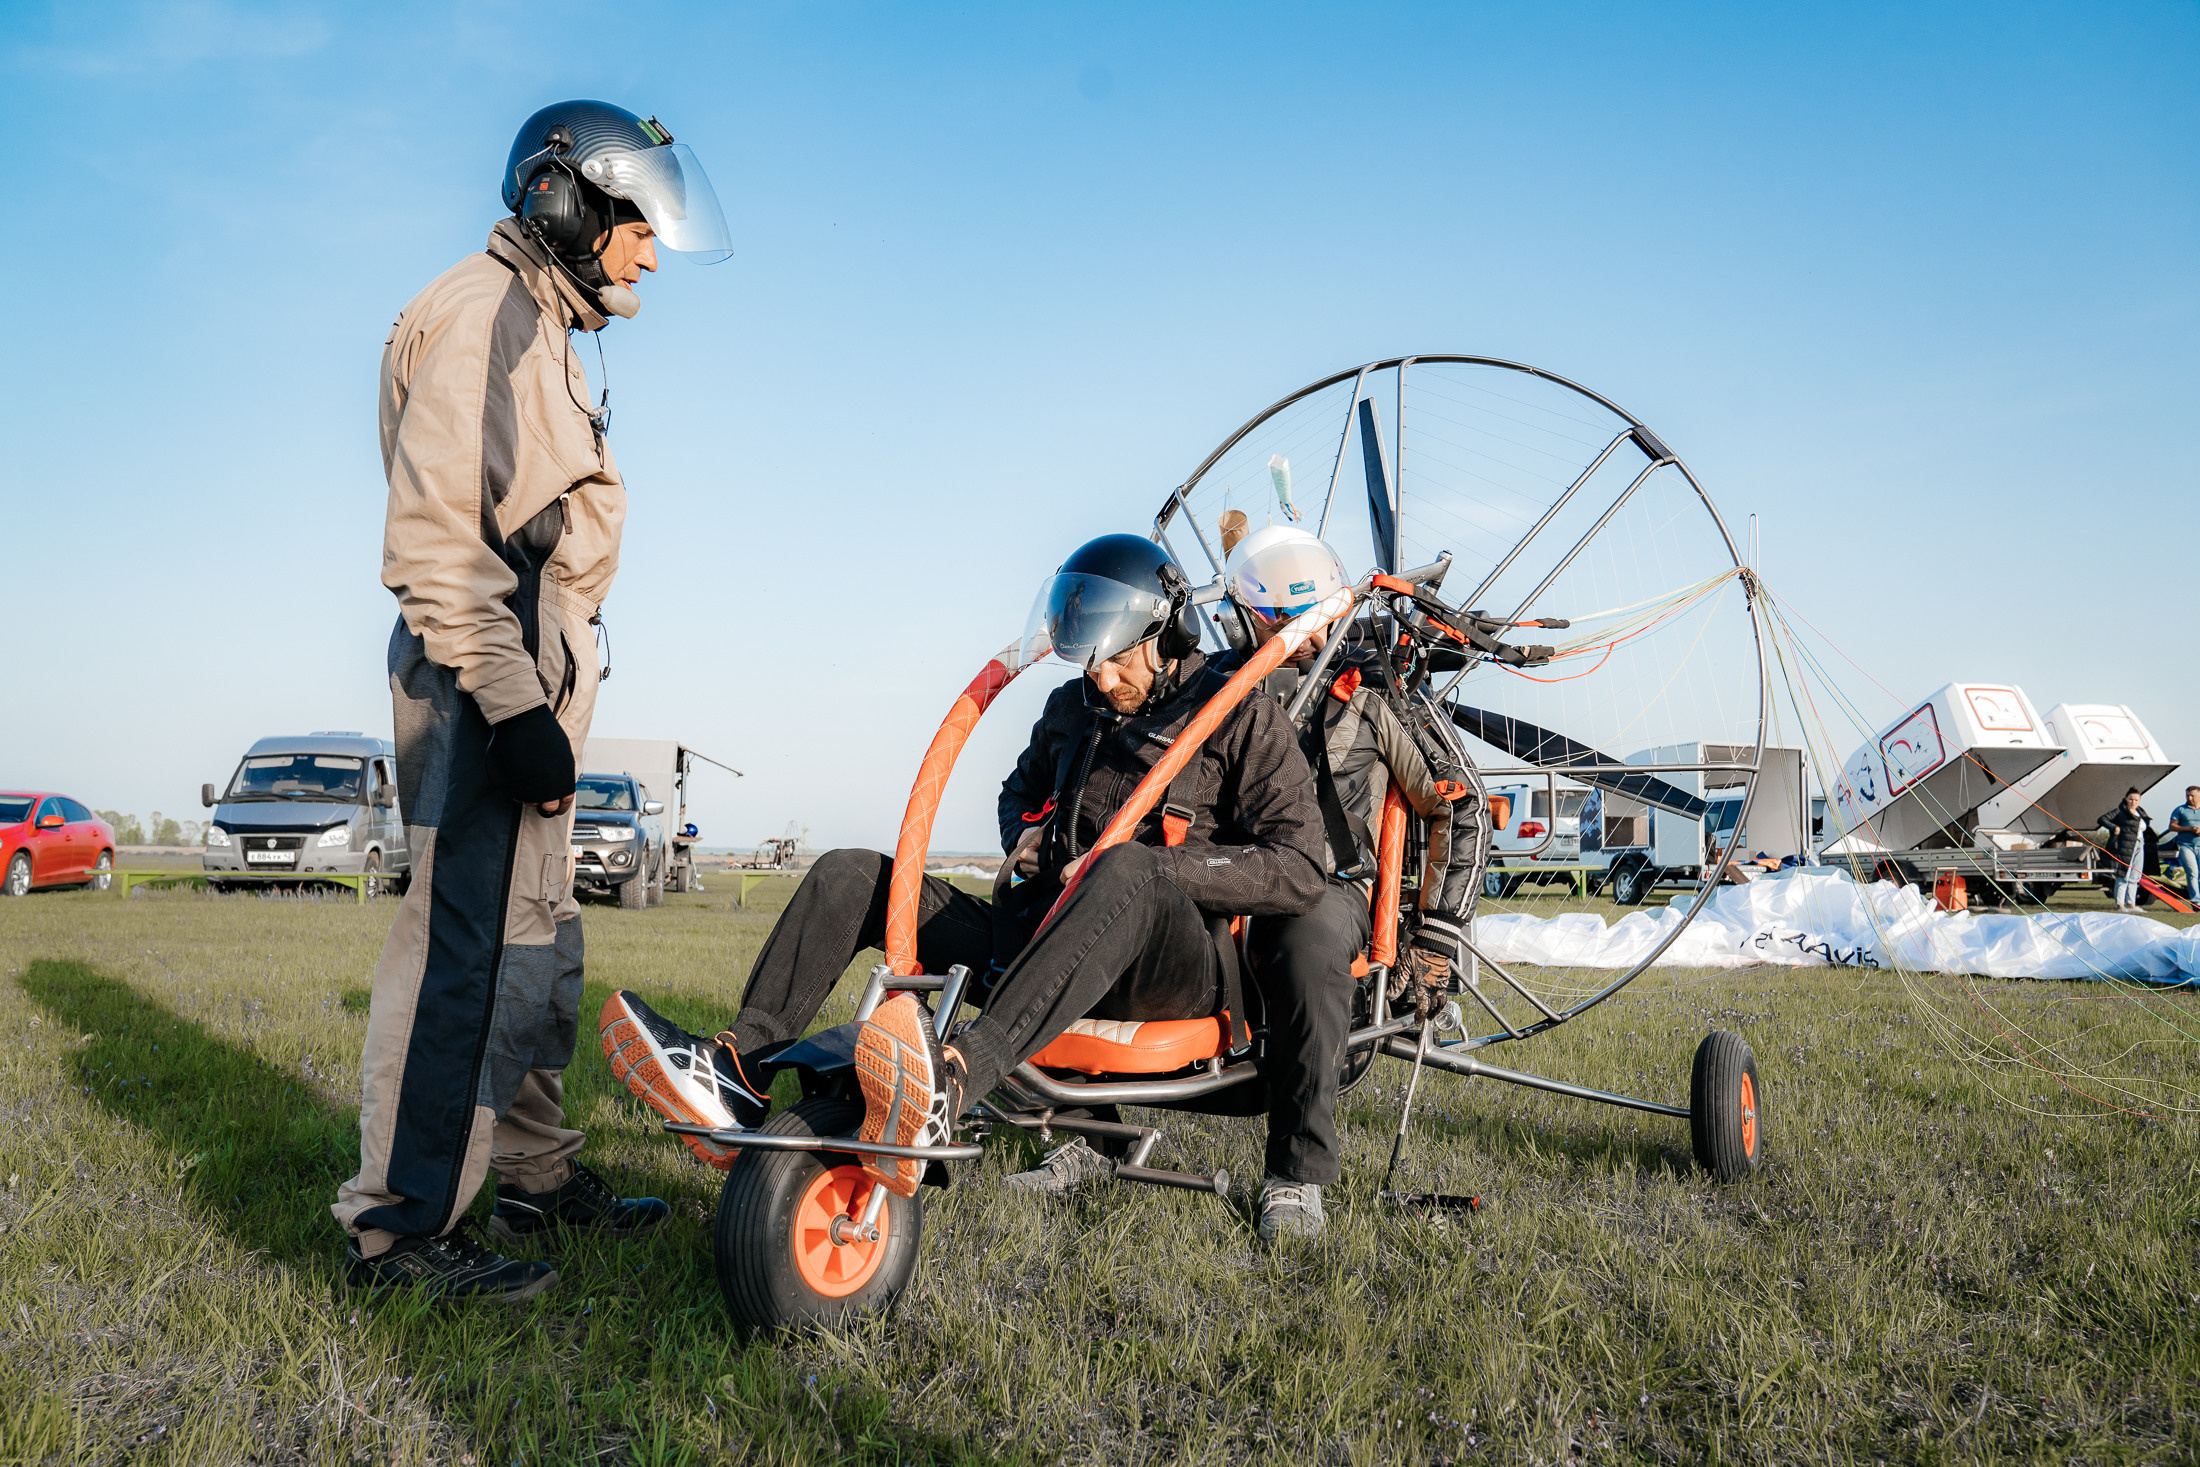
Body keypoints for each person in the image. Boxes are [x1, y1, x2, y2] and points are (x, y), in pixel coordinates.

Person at [598, 533, 1327, 1217]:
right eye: (1088, 661)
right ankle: (740, 1068)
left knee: (1127, 866)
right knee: (851, 873)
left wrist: (1152, 866)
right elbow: (1018, 791)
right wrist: (1027, 833)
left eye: (1118, 660)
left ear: (1168, 638)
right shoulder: (1071, 708)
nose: (1101, 678)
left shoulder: (1241, 715)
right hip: (1044, 939)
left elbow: (1299, 867)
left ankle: (953, 1082)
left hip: (1168, 969)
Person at [334, 101, 732, 1301]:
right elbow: (441, 540)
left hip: (529, 673)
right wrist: (512, 709)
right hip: (483, 673)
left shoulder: (543, 325)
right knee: (461, 949)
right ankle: (401, 1232)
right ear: (565, 202)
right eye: (638, 224)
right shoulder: (486, 315)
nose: (650, 252)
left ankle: (531, 1171)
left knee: (534, 936)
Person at [1178, 525, 1481, 1240]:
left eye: (1309, 620)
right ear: (1248, 622)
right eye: (1282, 622)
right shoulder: (1210, 687)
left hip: (1325, 885)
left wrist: (1436, 936)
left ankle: (1296, 1174)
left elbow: (1458, 805)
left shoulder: (1372, 694)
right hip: (1220, 872)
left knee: (1307, 947)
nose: (1302, 638)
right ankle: (1084, 1132)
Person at [2099, 788, 2153, 912]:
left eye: (2136, 800)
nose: (2133, 802)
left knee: (2135, 876)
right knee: (2124, 875)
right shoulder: (2119, 811)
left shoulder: (2140, 812)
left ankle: (2131, 904)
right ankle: (2120, 905)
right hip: (2125, 846)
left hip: (2139, 844)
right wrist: (2114, 827)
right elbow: (2102, 819)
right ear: (2125, 799)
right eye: (2131, 799)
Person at [2167, 786, 2200, 905]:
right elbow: (2172, 826)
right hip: (2185, 846)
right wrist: (2189, 829)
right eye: (2187, 795)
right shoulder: (2180, 810)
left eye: (2192, 796)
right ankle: (2196, 902)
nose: (2189, 798)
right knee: (2192, 873)